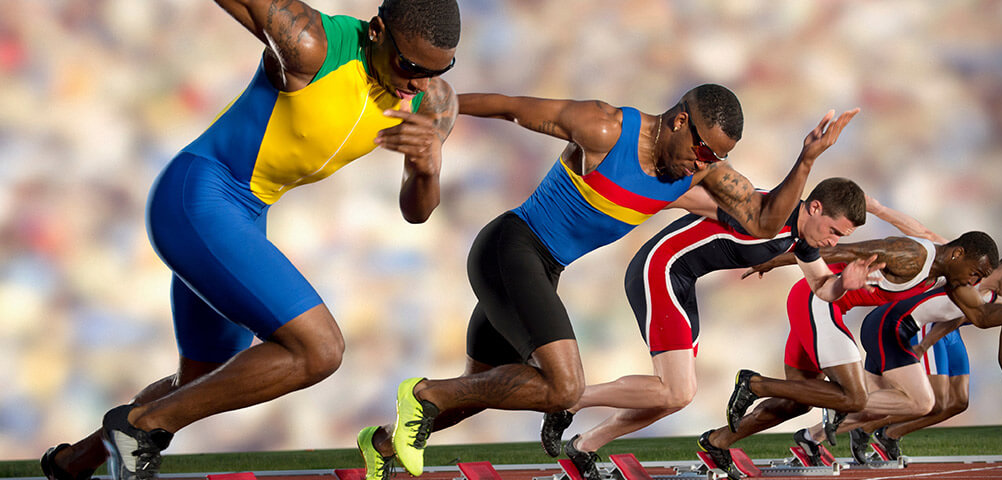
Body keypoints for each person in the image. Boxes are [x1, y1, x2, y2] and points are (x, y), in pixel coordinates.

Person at [41, 1, 462, 479]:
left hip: (246, 214)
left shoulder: (433, 103)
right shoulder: (311, 45)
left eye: (438, 69)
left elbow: (417, 212)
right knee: (320, 350)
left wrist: (428, 169)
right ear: (378, 31)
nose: (419, 83)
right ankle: (140, 429)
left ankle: (74, 463)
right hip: (198, 196)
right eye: (410, 65)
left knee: (201, 380)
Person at [352, 84, 859, 478]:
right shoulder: (606, 128)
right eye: (703, 150)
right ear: (680, 121)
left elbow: (766, 222)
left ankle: (380, 444)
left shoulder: (699, 173)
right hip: (510, 249)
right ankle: (423, 392)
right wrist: (434, 111)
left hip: (544, 270)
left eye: (715, 159)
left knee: (477, 393)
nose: (704, 164)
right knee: (563, 387)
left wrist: (807, 158)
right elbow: (511, 108)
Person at [539, 177, 893, 480]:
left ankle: (584, 446)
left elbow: (822, 287)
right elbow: (682, 195)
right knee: (677, 390)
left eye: (840, 236)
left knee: (674, 396)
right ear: (814, 208)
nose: (833, 242)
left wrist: (844, 283)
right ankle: (570, 399)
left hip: (682, 281)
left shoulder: (801, 239)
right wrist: (604, 205)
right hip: (660, 269)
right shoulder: (764, 209)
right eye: (834, 231)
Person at [696, 230, 1002, 478]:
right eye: (976, 272)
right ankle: (755, 384)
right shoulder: (914, 254)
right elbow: (841, 250)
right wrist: (774, 260)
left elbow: (983, 317)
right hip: (819, 301)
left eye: (980, 278)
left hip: (819, 307)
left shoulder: (947, 277)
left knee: (797, 401)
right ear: (957, 253)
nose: (975, 281)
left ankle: (718, 441)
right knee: (853, 397)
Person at [806, 253, 1002, 464]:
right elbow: (974, 316)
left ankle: (873, 430)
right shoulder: (990, 283)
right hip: (922, 325)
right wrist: (925, 345)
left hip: (942, 327)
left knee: (955, 403)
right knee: (926, 401)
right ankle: (849, 417)